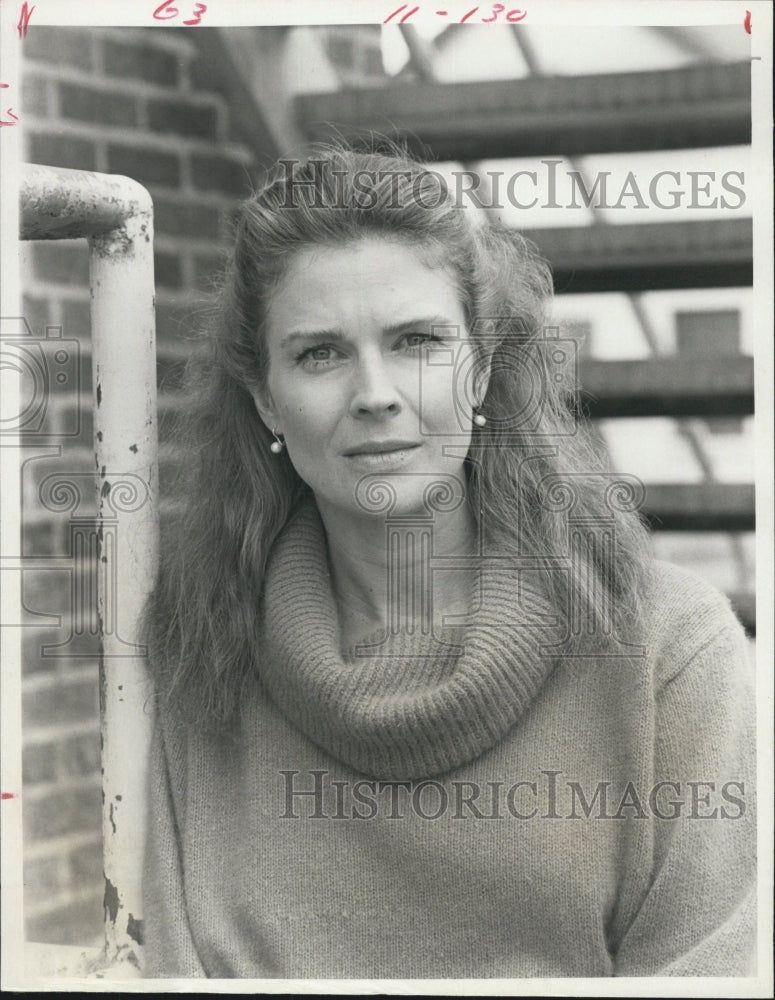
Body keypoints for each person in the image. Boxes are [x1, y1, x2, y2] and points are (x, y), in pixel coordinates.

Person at [141, 144, 756, 979]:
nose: (375, 393)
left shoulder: (668, 650)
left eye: (417, 341)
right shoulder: (198, 647)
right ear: (263, 397)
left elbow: (716, 972)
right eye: (319, 352)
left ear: (482, 369)